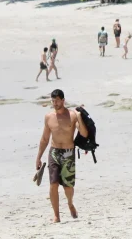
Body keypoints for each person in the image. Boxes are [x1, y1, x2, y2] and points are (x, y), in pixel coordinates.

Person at [36, 89, 88, 223]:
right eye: (53, 101)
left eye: (57, 101)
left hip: (68, 153)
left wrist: (79, 117)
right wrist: (38, 157)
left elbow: (84, 134)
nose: (55, 103)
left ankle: (70, 203)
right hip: (54, 152)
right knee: (53, 184)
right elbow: (44, 138)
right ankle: (56, 215)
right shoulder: (49, 117)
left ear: (63, 100)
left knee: (68, 187)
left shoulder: (72, 115)